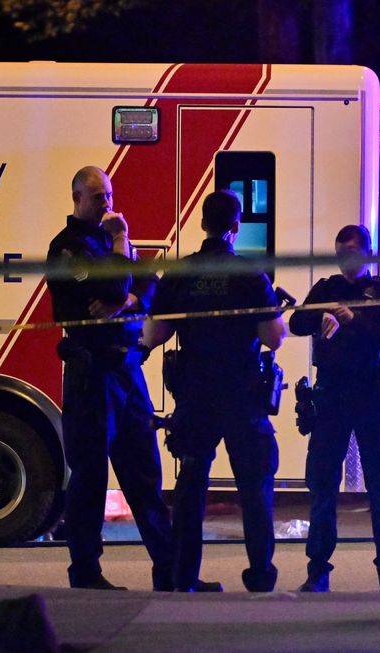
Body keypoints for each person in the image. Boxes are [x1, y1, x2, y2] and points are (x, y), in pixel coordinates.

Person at [142, 190, 287, 593]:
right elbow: (273, 338)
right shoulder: (251, 275)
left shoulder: (180, 273)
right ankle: (260, 577)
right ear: (236, 226)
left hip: (196, 395)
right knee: (255, 489)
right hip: (242, 396)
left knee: (190, 489)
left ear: (203, 223)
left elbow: (155, 334)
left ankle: (183, 577)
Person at [46, 165, 173, 591]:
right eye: (99, 197)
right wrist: (123, 263)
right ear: (77, 198)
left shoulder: (107, 242)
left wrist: (130, 297)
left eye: (110, 195)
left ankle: (170, 571)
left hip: (126, 371)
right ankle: (85, 573)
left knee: (145, 471)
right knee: (89, 477)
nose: (108, 204)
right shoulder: (68, 250)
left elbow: (150, 285)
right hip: (91, 373)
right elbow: (116, 286)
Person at [289, 225, 380, 592]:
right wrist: (320, 314)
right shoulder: (326, 288)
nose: (346, 260)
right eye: (341, 253)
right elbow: (296, 322)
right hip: (332, 397)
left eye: (353, 253)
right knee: (323, 486)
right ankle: (317, 571)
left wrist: (356, 320)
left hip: (372, 397)